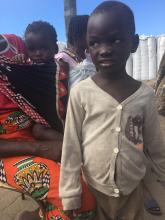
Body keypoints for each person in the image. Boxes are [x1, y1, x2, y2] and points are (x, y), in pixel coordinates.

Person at [60, 1, 165, 220]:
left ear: (134, 43)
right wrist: (70, 193)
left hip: (133, 189)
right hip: (94, 190)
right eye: (95, 42)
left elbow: (154, 145)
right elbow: (71, 147)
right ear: (87, 47)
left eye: (115, 40)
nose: (104, 49)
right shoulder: (81, 93)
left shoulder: (144, 95)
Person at [0, 21, 95, 220]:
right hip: (9, 152)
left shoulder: (16, 56)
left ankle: (40, 213)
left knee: (85, 169)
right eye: (32, 50)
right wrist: (40, 148)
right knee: (74, 197)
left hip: (39, 138)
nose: (37, 54)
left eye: (43, 48)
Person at [55, 15, 89, 121]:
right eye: (90, 33)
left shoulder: (90, 57)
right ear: (77, 35)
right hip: (74, 115)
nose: (94, 37)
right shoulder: (62, 59)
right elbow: (62, 96)